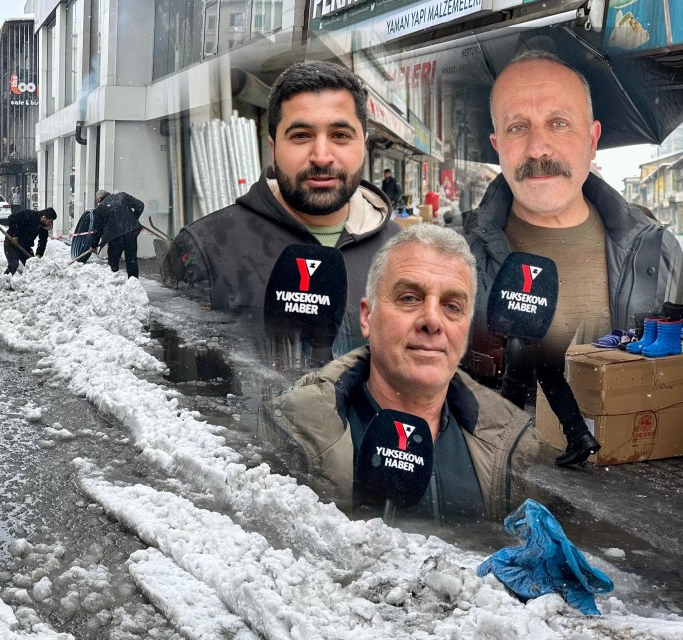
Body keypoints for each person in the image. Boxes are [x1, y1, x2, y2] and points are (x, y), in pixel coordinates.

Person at [463, 50, 682, 466]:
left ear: (592, 139)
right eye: (517, 127)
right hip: (515, 395)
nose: (538, 147)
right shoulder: (456, 251)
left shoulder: (659, 249)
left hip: (623, 453)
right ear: (497, 145)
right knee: (531, 376)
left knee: (529, 376)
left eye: (559, 122)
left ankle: (558, 438)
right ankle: (564, 437)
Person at [268, 225, 538, 522]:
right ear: (367, 317)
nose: (432, 321)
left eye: (452, 306)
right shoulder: (285, 433)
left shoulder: (515, 446)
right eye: (409, 298)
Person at [167, 61, 399, 349]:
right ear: (273, 147)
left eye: (340, 135)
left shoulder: (401, 251)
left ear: (363, 145)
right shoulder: (204, 250)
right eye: (301, 136)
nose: (321, 156)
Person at [91, 191, 146, 278]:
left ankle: (114, 280)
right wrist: (133, 219)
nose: (98, 202)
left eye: (97, 200)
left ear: (99, 198)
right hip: (130, 233)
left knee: (113, 261)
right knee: (131, 259)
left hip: (114, 237)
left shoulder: (99, 209)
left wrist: (93, 246)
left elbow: (97, 230)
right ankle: (134, 281)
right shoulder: (123, 196)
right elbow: (140, 205)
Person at [2, 207, 57, 274]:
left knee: (32, 265)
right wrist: (14, 235)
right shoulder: (30, 215)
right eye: (50, 221)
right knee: (13, 265)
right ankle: (5, 279)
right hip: (11, 242)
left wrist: (39, 254)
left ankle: (32, 280)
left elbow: (43, 241)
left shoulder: (43, 227)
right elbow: (12, 218)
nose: (50, 223)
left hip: (25, 246)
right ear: (44, 217)